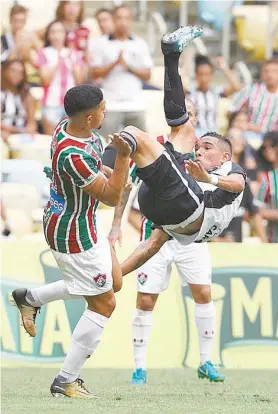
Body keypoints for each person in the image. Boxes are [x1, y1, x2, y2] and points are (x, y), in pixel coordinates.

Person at [11, 84, 131, 398]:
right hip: (72, 233)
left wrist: (104, 169)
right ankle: (66, 380)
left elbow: (91, 173)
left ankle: (31, 298)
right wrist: (123, 160)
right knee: (105, 302)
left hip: (85, 222)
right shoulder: (72, 153)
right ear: (90, 117)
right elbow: (112, 195)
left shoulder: (74, 128)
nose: (106, 113)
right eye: (103, 109)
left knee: (113, 282)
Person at [105, 97, 225, 383]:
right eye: (188, 115)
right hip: (155, 236)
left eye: (194, 116)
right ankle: (139, 368)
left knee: (204, 294)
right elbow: (126, 184)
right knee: (146, 300)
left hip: (190, 239)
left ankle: (207, 361)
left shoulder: (203, 153)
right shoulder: (154, 147)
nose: (192, 120)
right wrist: (116, 224)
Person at [116, 26, 246, 276]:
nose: (199, 151)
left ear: (225, 156)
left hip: (186, 209)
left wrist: (208, 178)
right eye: (200, 147)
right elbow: (150, 244)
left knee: (143, 132)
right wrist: (118, 270)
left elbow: (238, 185)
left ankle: (171, 55)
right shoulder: (186, 161)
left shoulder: (231, 169)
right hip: (161, 209)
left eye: (207, 148)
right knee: (171, 134)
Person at [90, 5, 153, 142]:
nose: (123, 22)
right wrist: (114, 64)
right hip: (110, 105)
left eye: (126, 18)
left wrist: (129, 67)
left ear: (131, 20)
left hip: (135, 104)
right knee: (107, 145)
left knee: (142, 146)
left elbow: (147, 74)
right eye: (119, 18)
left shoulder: (140, 43)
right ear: (113, 19)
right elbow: (95, 73)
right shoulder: (100, 43)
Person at [35, 20, 84, 135]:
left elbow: (79, 81)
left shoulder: (74, 53)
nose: (56, 35)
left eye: (60, 31)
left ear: (65, 34)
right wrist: (58, 60)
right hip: (51, 104)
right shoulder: (44, 52)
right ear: (48, 35)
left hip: (71, 105)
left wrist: (72, 60)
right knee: (52, 139)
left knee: (70, 140)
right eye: (53, 32)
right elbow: (45, 80)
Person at [187, 54, 241, 136]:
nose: (204, 78)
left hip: (213, 133)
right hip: (195, 133)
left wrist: (224, 68)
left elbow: (236, 86)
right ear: (196, 75)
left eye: (207, 74)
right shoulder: (190, 92)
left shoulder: (216, 92)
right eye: (200, 74)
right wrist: (186, 63)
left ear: (211, 75)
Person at [229, 59, 278, 137]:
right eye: (266, 71)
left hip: (273, 139)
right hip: (249, 135)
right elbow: (232, 111)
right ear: (262, 73)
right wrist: (243, 124)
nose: (270, 74)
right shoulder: (250, 90)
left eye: (274, 71)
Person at [1, 59, 37, 144]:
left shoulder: (27, 95)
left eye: (20, 72)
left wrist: (25, 131)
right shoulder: (2, 94)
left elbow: (32, 123)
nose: (16, 75)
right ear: (5, 72)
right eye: (13, 71)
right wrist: (21, 131)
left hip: (20, 135)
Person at [256, 132, 278, 243]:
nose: (268, 150)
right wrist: (265, 245)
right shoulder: (267, 178)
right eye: (265, 147)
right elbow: (257, 212)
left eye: (272, 146)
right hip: (274, 243)